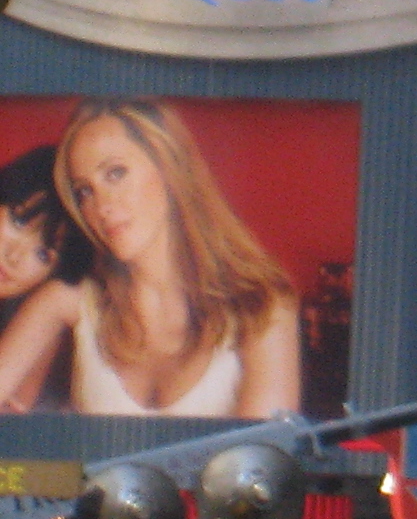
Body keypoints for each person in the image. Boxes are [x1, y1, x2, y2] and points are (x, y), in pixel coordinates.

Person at [0, 101, 303, 417]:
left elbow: (264, 448)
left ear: (169, 166)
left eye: (115, 173)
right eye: (85, 191)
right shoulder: (67, 302)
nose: (101, 205)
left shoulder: (262, 305)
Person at [0, 145, 85, 411]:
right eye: (18, 222)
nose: (14, 257)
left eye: (42, 254)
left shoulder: (41, 320)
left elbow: (14, 411)